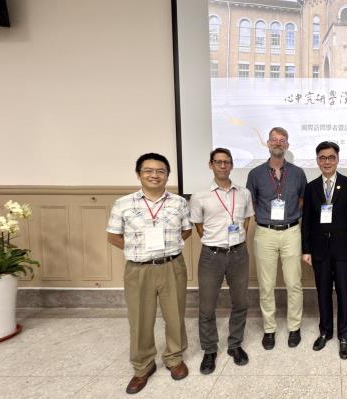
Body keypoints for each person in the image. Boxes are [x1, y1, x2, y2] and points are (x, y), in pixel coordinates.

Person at [106, 153, 192, 394]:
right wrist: (138, 249)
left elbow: (186, 231)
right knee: (140, 318)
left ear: (167, 175)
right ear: (139, 174)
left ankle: (174, 358)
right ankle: (142, 366)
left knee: (175, 314)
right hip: (138, 268)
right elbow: (113, 236)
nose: (155, 175)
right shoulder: (123, 204)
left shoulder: (178, 202)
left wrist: (167, 248)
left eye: (160, 171)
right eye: (148, 171)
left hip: (171, 265)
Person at [189, 148, 255, 374]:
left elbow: (246, 220)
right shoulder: (200, 196)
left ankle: (235, 345)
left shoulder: (244, 193)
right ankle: (209, 350)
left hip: (239, 254)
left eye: (227, 162)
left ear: (232, 165)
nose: (223, 166)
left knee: (241, 302)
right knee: (207, 306)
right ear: (211, 165)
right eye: (218, 162)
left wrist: (235, 241)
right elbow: (199, 227)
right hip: (212, 255)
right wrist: (216, 242)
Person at [246, 127, 307, 350]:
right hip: (265, 232)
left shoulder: (298, 173)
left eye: (282, 140)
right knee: (266, 285)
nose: (278, 143)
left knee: (294, 283)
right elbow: (251, 202)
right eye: (274, 140)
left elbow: (302, 199)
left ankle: (294, 327)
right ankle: (269, 329)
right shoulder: (255, 174)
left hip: (292, 231)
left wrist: (290, 216)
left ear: (287, 145)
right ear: (268, 144)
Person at [301, 141, 347, 359]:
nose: (326, 162)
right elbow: (307, 220)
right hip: (319, 251)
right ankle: (325, 332)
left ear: (337, 159)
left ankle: (344, 336)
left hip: (344, 250)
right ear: (317, 160)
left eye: (331, 157)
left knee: (345, 293)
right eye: (322, 158)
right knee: (323, 293)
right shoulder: (311, 187)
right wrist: (306, 249)